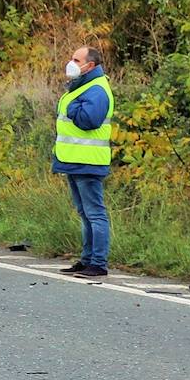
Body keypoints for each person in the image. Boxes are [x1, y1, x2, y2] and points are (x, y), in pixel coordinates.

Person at [53, 45, 113, 277]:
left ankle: (98, 263)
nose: (72, 63)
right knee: (85, 213)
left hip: (88, 161)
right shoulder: (82, 86)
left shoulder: (96, 89)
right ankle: (87, 259)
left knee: (94, 213)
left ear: (91, 65)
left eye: (77, 60)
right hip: (74, 160)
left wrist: (71, 105)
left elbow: (89, 120)